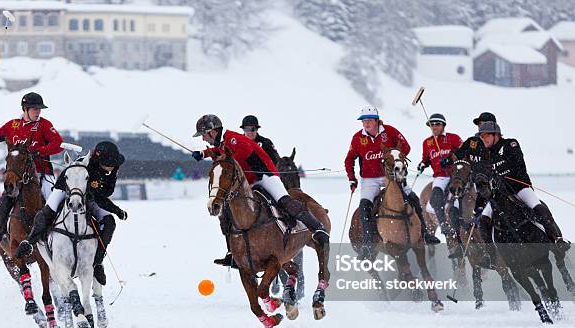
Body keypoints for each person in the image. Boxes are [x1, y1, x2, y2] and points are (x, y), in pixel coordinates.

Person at [191, 114, 329, 268]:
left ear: (213, 132)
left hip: (265, 176)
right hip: (249, 183)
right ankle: (233, 253)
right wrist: (203, 154)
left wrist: (229, 162)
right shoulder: (224, 142)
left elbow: (245, 150)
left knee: (283, 200)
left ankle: (317, 228)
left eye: (203, 135)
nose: (203, 139)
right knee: (228, 211)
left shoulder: (232, 138)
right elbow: (217, 151)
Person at [15, 141, 128, 285]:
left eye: (113, 163)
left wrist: (115, 211)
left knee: (109, 222)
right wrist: (117, 209)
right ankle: (29, 243)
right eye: (108, 163)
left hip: (90, 196)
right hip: (66, 189)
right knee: (46, 213)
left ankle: (97, 263)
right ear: (98, 159)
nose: (111, 167)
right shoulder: (86, 165)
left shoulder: (114, 166)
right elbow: (100, 197)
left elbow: (106, 192)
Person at [345, 106, 440, 257]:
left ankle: (425, 234)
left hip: (393, 176)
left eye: (369, 120)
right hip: (370, 179)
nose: (366, 124)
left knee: (413, 198)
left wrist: (394, 157)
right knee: (365, 206)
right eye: (364, 121)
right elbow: (349, 159)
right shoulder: (358, 138)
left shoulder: (390, 131)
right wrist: (351, 178)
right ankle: (368, 244)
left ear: (376, 121)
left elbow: (406, 147)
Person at [0, 92, 64, 255]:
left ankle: (58, 239)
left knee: (54, 201)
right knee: (4, 202)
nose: (38, 112)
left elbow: (58, 144)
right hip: (18, 177)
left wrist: (39, 151)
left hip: (41, 174)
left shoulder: (45, 125)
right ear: (25, 109)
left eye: (40, 109)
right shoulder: (12, 126)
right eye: (35, 109)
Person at [474, 122, 570, 254]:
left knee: (538, 207)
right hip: (499, 195)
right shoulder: (485, 155)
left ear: (495, 135)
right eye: (480, 136)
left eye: (485, 135)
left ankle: (557, 239)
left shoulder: (510, 144)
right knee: (483, 219)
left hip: (519, 188)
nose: (482, 139)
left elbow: (517, 164)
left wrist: (501, 174)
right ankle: (490, 255)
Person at [417, 113, 463, 257]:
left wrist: (450, 159)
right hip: (440, 177)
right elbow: (425, 159)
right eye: (432, 124)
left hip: (456, 176)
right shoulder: (427, 142)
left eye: (437, 124)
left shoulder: (453, 138)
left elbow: (464, 151)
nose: (434, 127)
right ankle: (443, 224)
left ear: (443, 126)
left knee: (461, 201)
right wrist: (422, 165)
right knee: (435, 196)